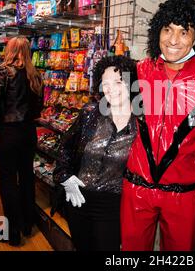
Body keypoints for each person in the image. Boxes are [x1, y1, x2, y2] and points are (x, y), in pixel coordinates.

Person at [120, 0, 195, 251]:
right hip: (136, 188)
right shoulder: (136, 72)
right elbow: (122, 127)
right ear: (157, 31)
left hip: (183, 194)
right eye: (167, 29)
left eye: (184, 32)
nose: (173, 40)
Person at [53, 55, 138, 251]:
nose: (110, 88)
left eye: (118, 81)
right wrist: (64, 176)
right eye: (105, 83)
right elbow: (65, 146)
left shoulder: (141, 123)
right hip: (78, 198)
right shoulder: (90, 112)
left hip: (113, 206)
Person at [0, 36, 43, 246]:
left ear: (10, 50)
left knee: (8, 181)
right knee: (27, 178)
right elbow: (37, 108)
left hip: (8, 133)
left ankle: (12, 232)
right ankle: (27, 224)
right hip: (28, 133)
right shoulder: (35, 74)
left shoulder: (4, 71)